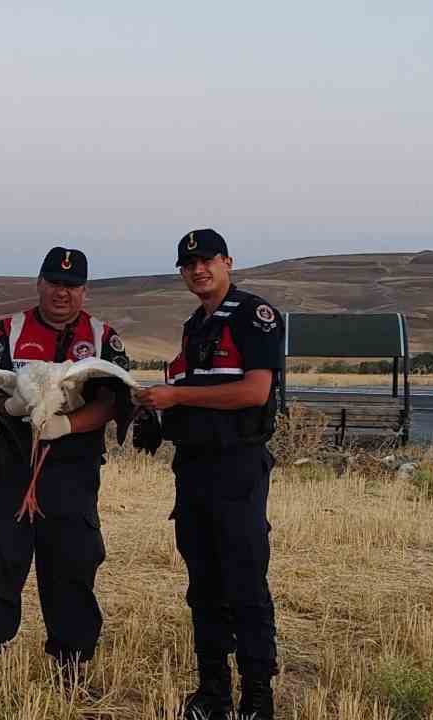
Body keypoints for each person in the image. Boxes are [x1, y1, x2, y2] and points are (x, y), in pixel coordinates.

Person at [0, 246, 131, 682]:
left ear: (84, 291)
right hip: (12, 471)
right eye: (55, 283)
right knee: (0, 562)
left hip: (72, 474)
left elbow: (115, 401)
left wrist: (68, 425)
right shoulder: (7, 331)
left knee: (72, 567)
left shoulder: (102, 337)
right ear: (39, 283)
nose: (62, 293)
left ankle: (71, 665)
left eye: (72, 286)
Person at [135, 229, 283, 720]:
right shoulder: (193, 327)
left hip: (237, 467)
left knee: (244, 583)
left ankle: (258, 698)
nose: (199, 269)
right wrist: (159, 416)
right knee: (203, 585)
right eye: (189, 263)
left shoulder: (253, 316)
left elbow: (254, 392)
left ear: (228, 262)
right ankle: (212, 692)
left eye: (207, 260)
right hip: (193, 468)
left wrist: (177, 398)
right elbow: (192, 389)